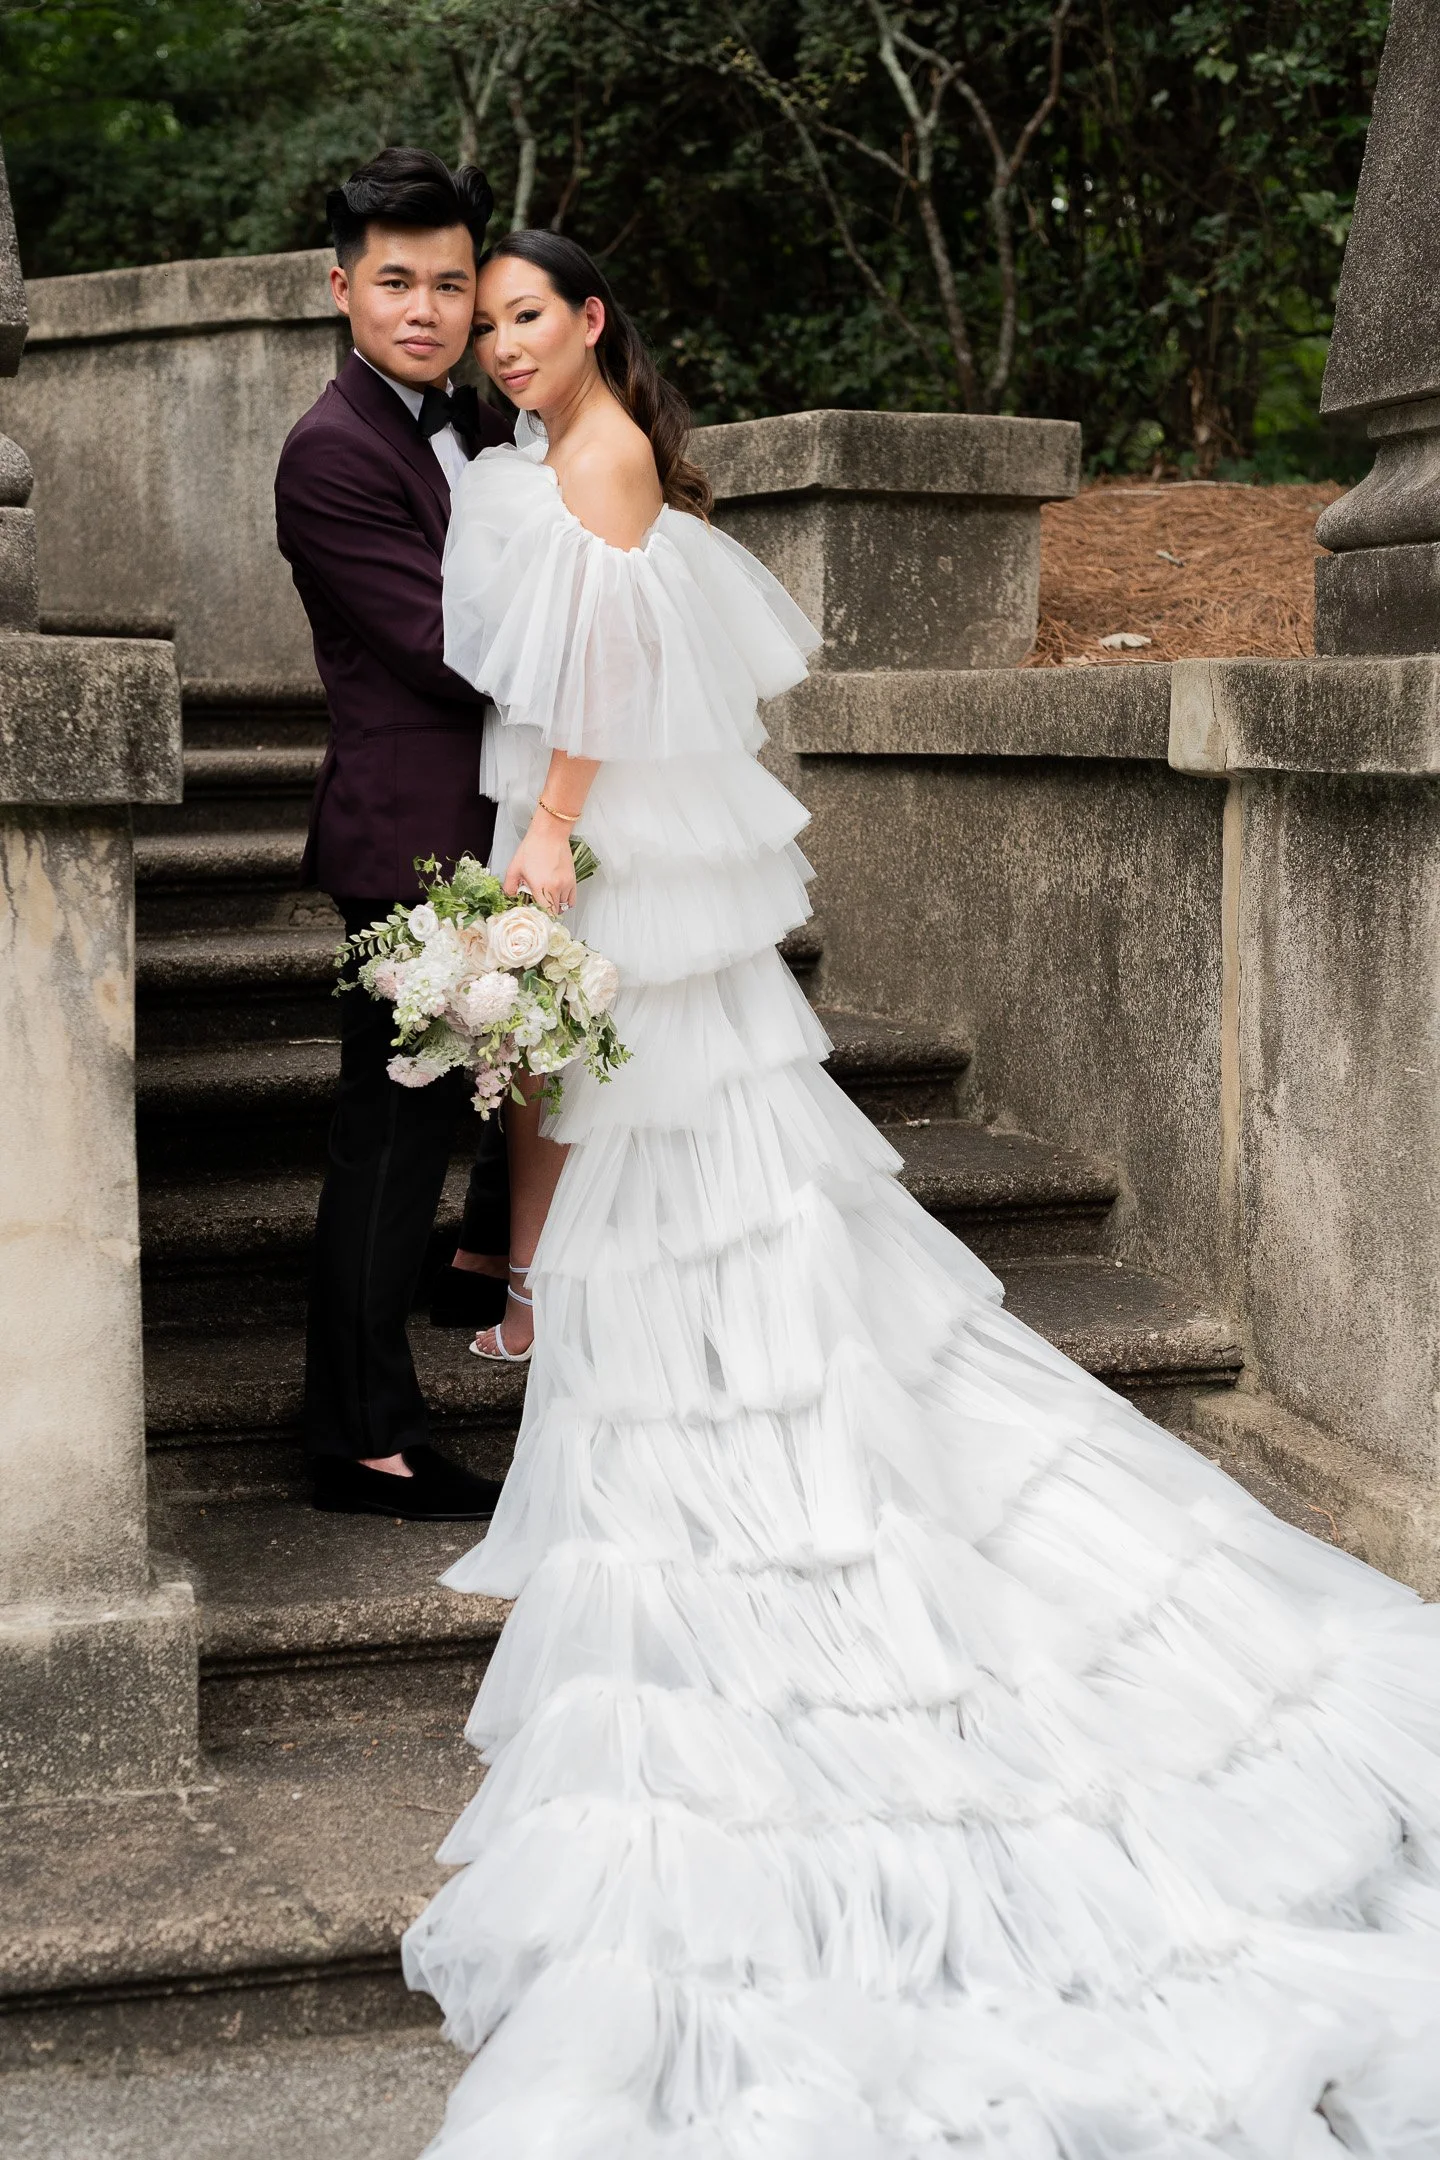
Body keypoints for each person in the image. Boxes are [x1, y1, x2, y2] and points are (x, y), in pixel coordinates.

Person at [402, 231, 1440, 2154]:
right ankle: (700, 1402)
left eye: (526, 316)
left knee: (713, 1178)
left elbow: (606, 690)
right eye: (489, 322)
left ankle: (761, 1461)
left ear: (594, 322)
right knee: (678, 1173)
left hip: (608, 855)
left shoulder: (606, 452)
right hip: (594, 859)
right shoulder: (540, 459)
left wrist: (542, 851)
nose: (502, 343)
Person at [274, 148, 514, 1523]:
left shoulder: (476, 422)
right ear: (342, 287)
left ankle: (479, 1259)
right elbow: (444, 650)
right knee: (389, 1135)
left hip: (492, 824)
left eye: (447, 281)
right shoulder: (332, 451)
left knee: (471, 1102)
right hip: (409, 836)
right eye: (394, 282)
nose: (422, 307)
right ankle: (360, 1434)